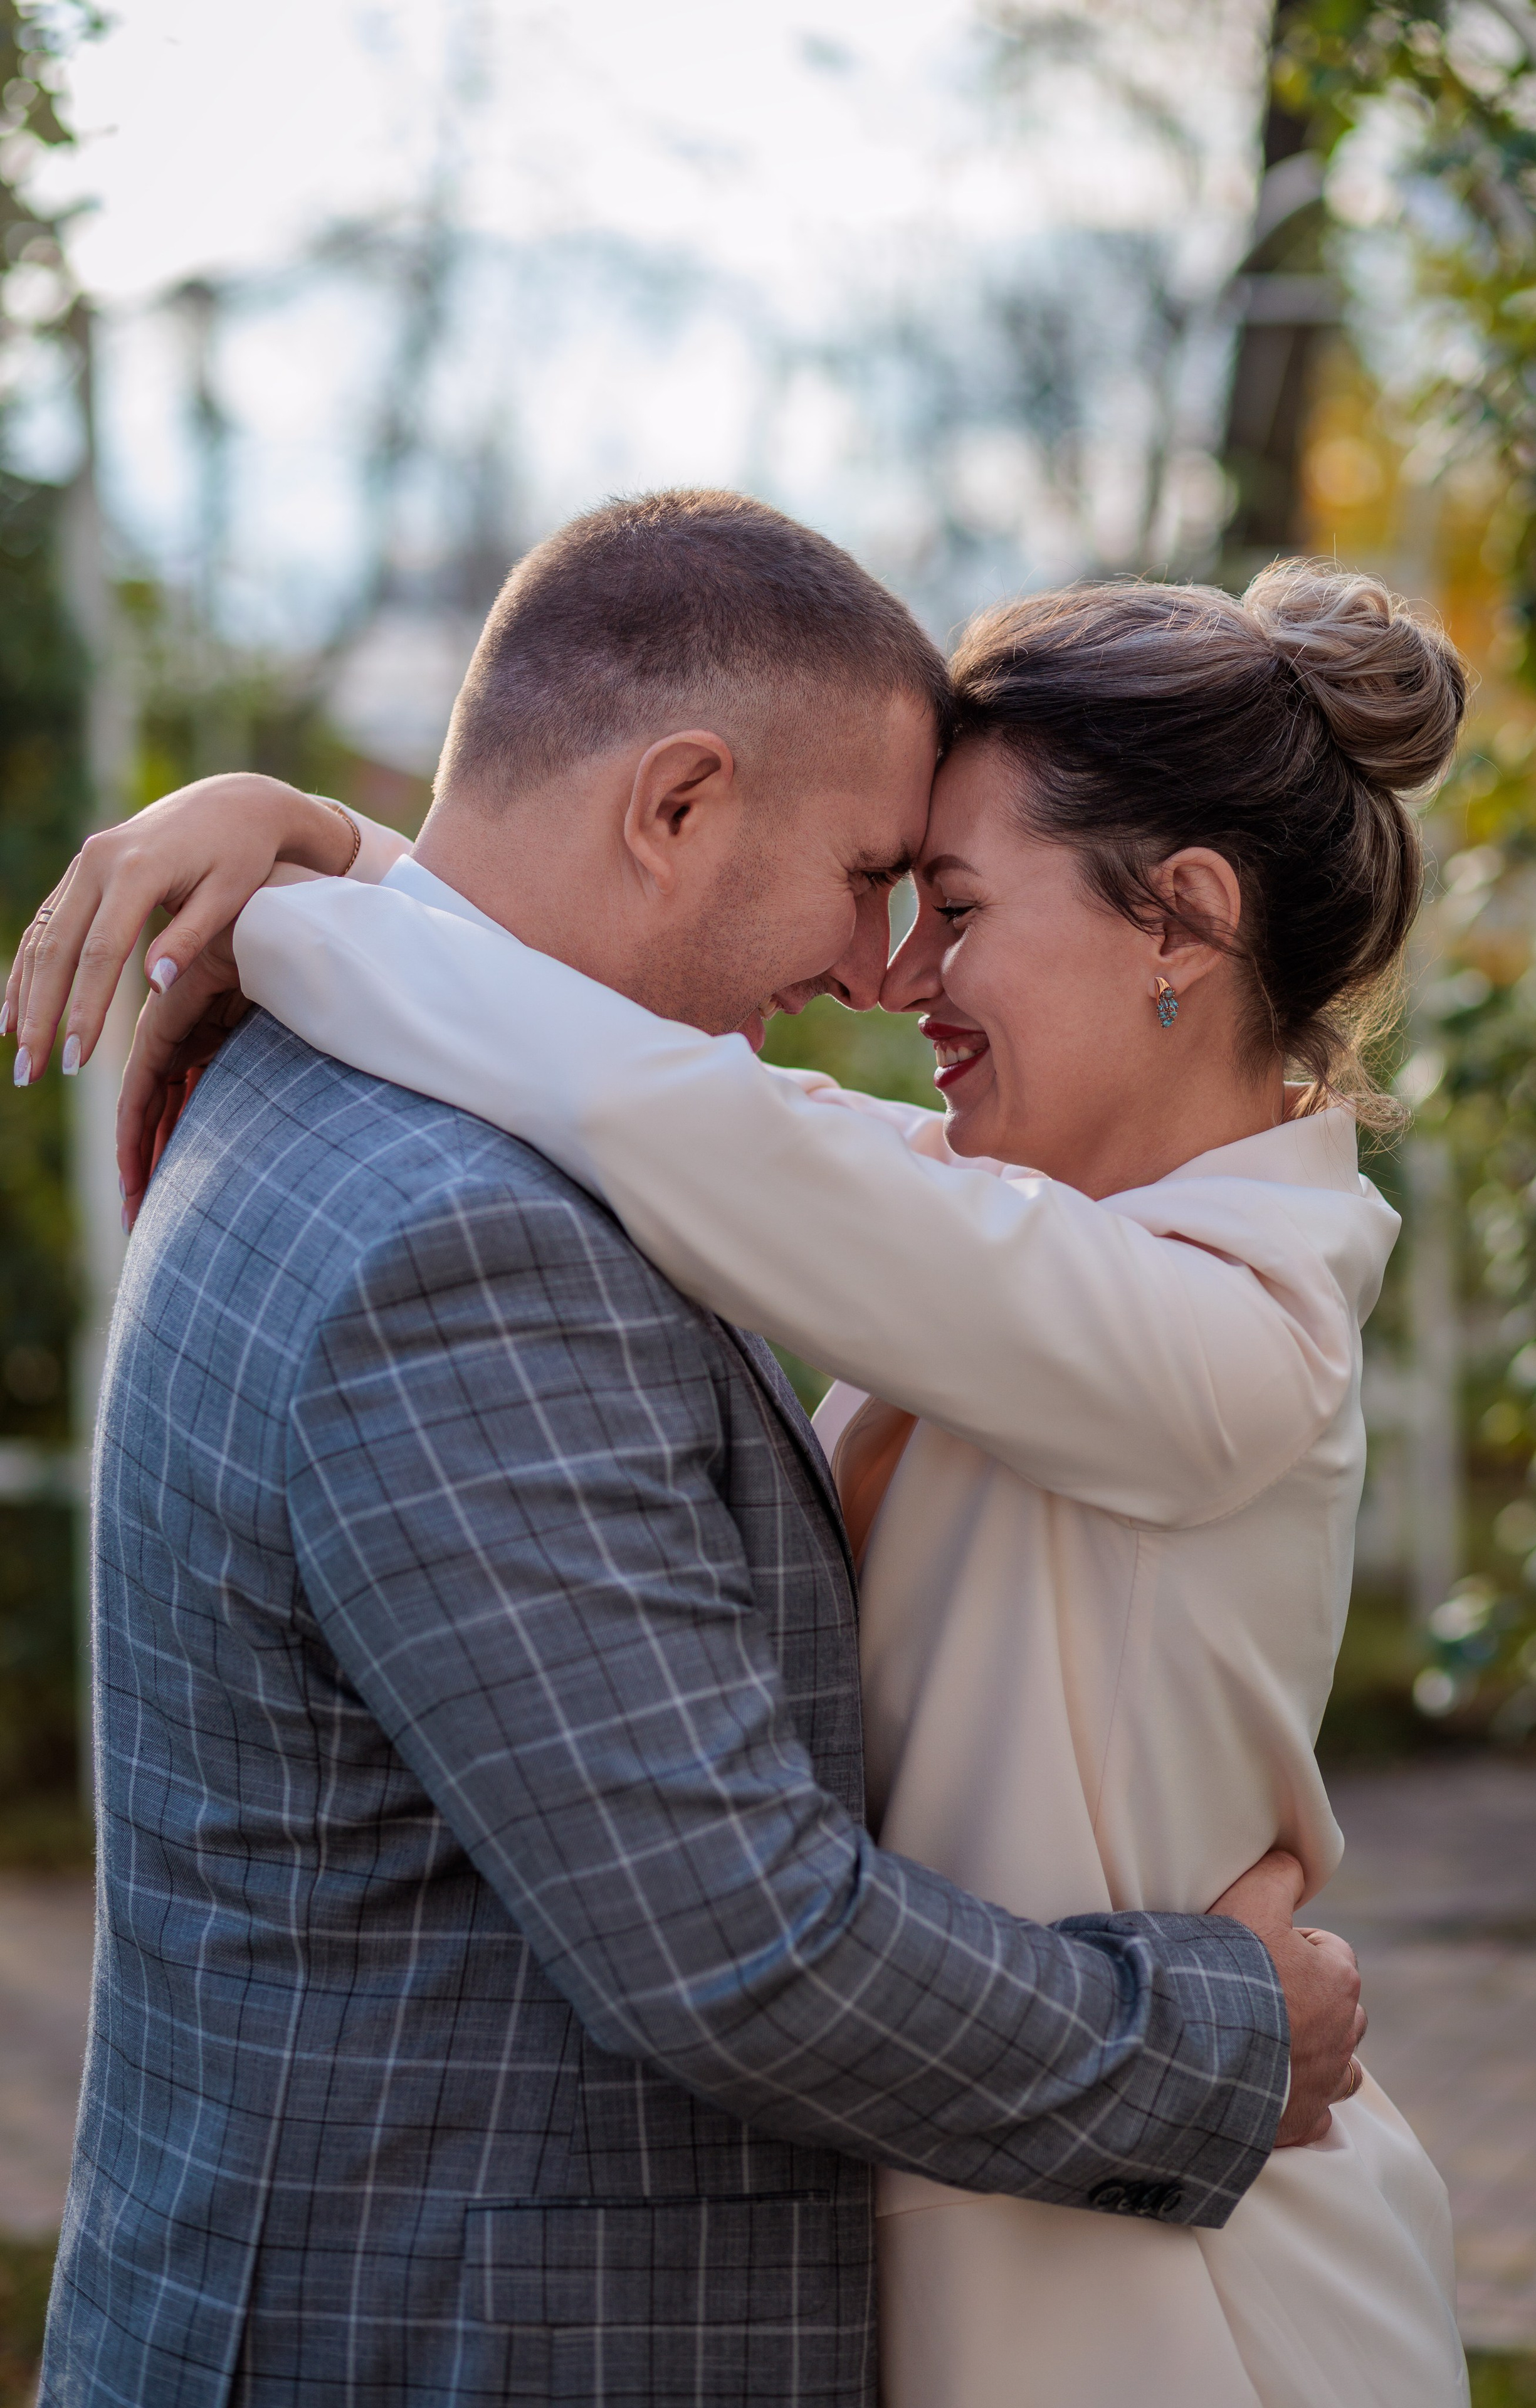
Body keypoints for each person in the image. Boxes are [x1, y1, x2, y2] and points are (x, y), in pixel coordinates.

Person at [8, 492, 1364, 2408]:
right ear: (676, 805)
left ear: (1190, 926)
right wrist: (333, 874)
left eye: (948, 907)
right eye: (880, 878)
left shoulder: (1192, 1319)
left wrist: (334, 878)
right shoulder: (465, 1240)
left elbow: (709, 1122)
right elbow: (737, 1942)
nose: (882, 972)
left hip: (1151, 2301)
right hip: (464, 2330)